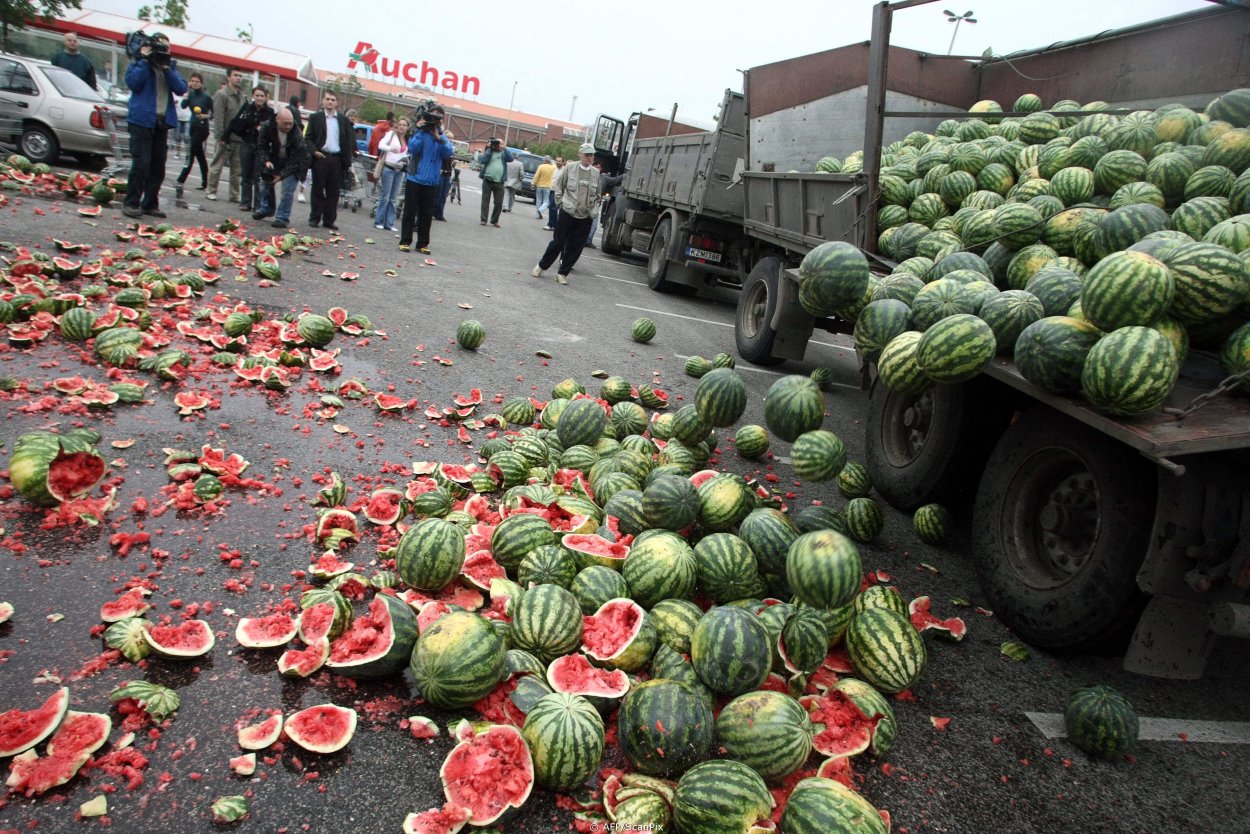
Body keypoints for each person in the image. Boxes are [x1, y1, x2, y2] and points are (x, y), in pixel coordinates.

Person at [121, 33, 186, 219]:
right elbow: (133, 83)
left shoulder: (170, 68)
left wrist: (167, 69)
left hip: (161, 123)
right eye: (160, 48)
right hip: (141, 121)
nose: (163, 51)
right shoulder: (138, 64)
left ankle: (150, 203)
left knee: (158, 167)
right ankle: (131, 203)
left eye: (166, 48)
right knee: (141, 163)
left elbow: (181, 88)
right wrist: (143, 59)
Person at [531, 143, 601, 285]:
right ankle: (541, 266)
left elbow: (598, 195)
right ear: (580, 154)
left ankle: (562, 273)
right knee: (558, 242)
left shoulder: (595, 173)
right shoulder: (570, 168)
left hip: (585, 215)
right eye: (587, 155)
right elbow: (559, 187)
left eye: (592, 155)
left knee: (576, 246)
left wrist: (594, 210)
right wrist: (560, 204)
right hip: (568, 212)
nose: (590, 158)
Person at [398, 107, 453, 254]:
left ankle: (422, 243)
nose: (435, 120)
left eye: (439, 118)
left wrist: (440, 138)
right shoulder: (420, 133)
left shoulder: (441, 136)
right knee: (409, 211)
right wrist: (420, 130)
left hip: (432, 181)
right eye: (433, 117)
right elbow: (412, 148)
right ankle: (405, 241)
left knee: (426, 214)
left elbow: (449, 153)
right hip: (415, 178)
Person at [304, 90, 355, 232]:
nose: (330, 102)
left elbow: (347, 141)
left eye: (333, 99)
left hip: (337, 159)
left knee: (334, 192)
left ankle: (329, 220)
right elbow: (308, 138)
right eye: (328, 99)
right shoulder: (315, 118)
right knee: (318, 189)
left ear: (337, 102)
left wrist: (347, 162)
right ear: (323, 101)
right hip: (321, 157)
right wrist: (314, 151)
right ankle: (314, 218)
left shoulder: (343, 120)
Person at [254, 106, 310, 229]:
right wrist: (266, 161)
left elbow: (296, 160)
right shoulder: (267, 126)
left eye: (290, 123)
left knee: (287, 190)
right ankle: (265, 209)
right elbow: (261, 146)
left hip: (294, 162)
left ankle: (282, 218)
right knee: (265, 184)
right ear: (277, 120)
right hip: (275, 158)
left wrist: (280, 176)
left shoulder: (296, 133)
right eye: (285, 124)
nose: (288, 126)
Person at [230, 85, 275, 213]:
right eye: (257, 95)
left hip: (260, 147)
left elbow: (271, 130)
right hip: (247, 143)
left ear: (265, 97)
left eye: (262, 96)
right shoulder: (247, 108)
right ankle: (245, 202)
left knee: (257, 176)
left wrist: (263, 130)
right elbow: (237, 124)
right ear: (253, 96)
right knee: (245, 175)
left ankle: (257, 204)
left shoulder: (270, 112)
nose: (259, 98)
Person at [206, 67, 245, 202]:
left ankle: (234, 194)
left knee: (236, 169)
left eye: (240, 76)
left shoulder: (242, 96)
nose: (238, 78)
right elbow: (218, 117)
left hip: (238, 138)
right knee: (217, 165)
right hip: (225, 137)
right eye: (235, 75)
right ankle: (211, 190)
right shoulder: (222, 94)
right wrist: (220, 136)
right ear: (229, 77)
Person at [174, 72, 213, 196]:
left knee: (191, 153)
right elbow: (183, 106)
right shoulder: (190, 95)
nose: (195, 83)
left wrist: (204, 116)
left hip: (202, 128)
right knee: (199, 155)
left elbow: (213, 114)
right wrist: (186, 94)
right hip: (193, 127)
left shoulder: (206, 97)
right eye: (193, 81)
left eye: (197, 81)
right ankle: (205, 181)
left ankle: (180, 180)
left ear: (201, 83)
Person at [373, 116, 409, 232]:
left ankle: (389, 222)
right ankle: (379, 221)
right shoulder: (391, 135)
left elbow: (405, 152)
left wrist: (406, 159)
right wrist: (390, 148)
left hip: (399, 169)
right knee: (385, 196)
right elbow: (380, 145)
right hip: (388, 168)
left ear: (407, 128)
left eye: (404, 125)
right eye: (400, 124)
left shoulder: (406, 139)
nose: (402, 127)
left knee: (393, 198)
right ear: (397, 125)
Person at [586, 167, 625, 250]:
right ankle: (585, 240)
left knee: (592, 225)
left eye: (598, 167)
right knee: (587, 224)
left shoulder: (603, 178)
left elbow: (616, 180)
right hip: (586, 203)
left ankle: (587, 241)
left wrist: (625, 175)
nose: (597, 168)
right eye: (596, 166)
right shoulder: (599, 177)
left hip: (593, 204)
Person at [477, 137, 511, 227]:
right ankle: (483, 219)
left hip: (499, 182)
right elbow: (481, 160)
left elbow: (511, 158)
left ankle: (494, 220)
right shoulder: (490, 152)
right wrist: (489, 148)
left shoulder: (504, 154)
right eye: (497, 144)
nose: (498, 146)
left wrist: (504, 148)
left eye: (500, 144)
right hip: (488, 180)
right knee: (485, 201)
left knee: (499, 203)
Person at [434, 130, 456, 221]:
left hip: (448, 172)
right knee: (438, 194)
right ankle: (434, 212)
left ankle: (440, 213)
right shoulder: (443, 147)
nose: (450, 141)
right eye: (448, 139)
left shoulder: (452, 149)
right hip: (441, 172)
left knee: (444, 195)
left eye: (451, 139)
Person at [532, 156, 555, 221]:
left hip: (539, 186)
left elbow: (536, 176)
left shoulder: (541, 166)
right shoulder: (553, 167)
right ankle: (541, 210)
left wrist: (533, 184)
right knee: (546, 201)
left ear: (544, 161)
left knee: (538, 200)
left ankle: (538, 214)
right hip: (548, 186)